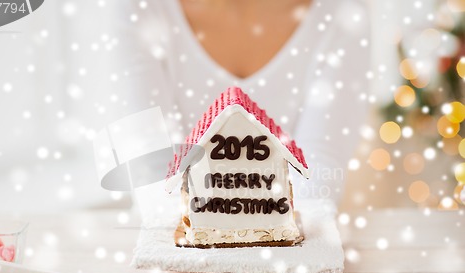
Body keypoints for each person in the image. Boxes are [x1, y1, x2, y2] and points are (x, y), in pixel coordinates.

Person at [112, 0, 370, 205]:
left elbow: (319, 169)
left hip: (292, 253)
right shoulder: (139, 6)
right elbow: (149, 160)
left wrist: (270, 237)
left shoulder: (343, 10)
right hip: (179, 249)